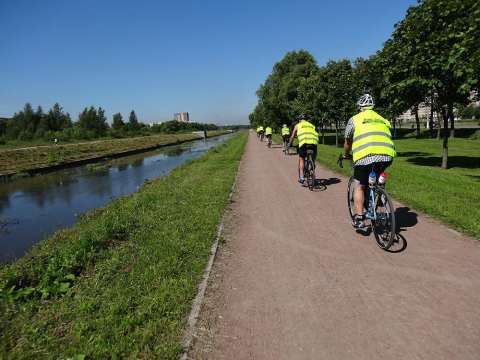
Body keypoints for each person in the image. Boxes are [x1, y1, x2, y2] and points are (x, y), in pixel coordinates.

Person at [342, 94, 396, 229]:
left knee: (360, 185)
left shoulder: (354, 119)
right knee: (376, 182)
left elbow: (348, 141)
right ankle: (378, 195)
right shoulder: (383, 119)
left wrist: (345, 155)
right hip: (387, 155)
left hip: (365, 156)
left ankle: (360, 217)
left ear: (360, 106)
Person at [289, 115, 318, 184]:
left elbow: (293, 136)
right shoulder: (311, 125)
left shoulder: (298, 125)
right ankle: (312, 167)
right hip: (313, 143)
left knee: (301, 158)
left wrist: (290, 144)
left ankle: (302, 177)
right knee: (313, 159)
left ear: (300, 120)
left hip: (303, 142)